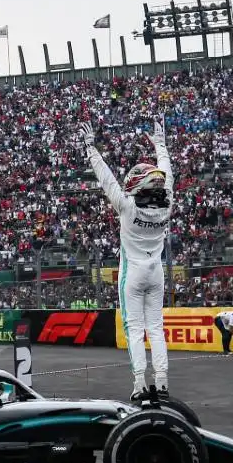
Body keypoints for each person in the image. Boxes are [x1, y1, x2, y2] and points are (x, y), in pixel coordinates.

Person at [80, 117, 174, 403]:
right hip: (156, 271)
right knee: (155, 328)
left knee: (134, 328)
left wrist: (90, 148)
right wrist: (160, 145)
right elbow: (167, 173)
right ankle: (162, 380)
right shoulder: (167, 205)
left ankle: (138, 384)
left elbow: (106, 178)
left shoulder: (127, 206)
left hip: (132, 272)